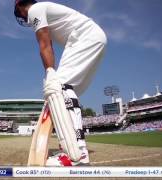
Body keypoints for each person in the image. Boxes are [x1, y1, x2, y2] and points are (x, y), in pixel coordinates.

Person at [14, 0, 107, 166]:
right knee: (66, 92)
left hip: (84, 39)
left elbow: (44, 45)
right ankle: (72, 145)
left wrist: (50, 72)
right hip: (93, 38)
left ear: (20, 6)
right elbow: (49, 44)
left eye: (19, 13)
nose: (22, 17)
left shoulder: (35, 9)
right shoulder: (45, 9)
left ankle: (76, 154)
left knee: (60, 87)